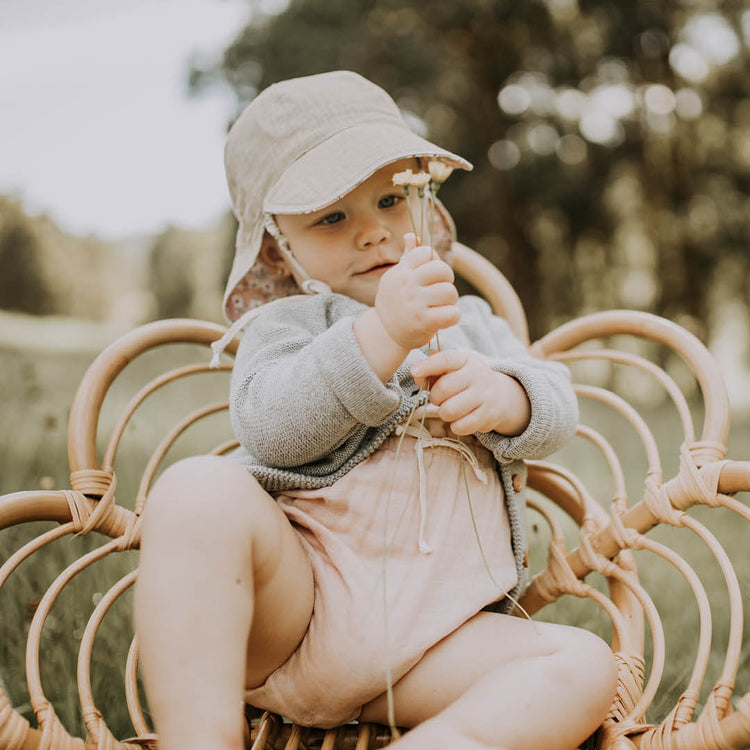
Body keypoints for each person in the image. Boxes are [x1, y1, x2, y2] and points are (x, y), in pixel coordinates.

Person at [134, 70, 617, 750]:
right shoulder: (287, 324)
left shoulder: (472, 322)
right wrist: (381, 336)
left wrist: (510, 399)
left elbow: (559, 403)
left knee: (582, 664)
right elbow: (269, 429)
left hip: (435, 645)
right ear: (280, 246)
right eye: (332, 216)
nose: (373, 233)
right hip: (292, 619)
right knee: (193, 490)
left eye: (391, 199)